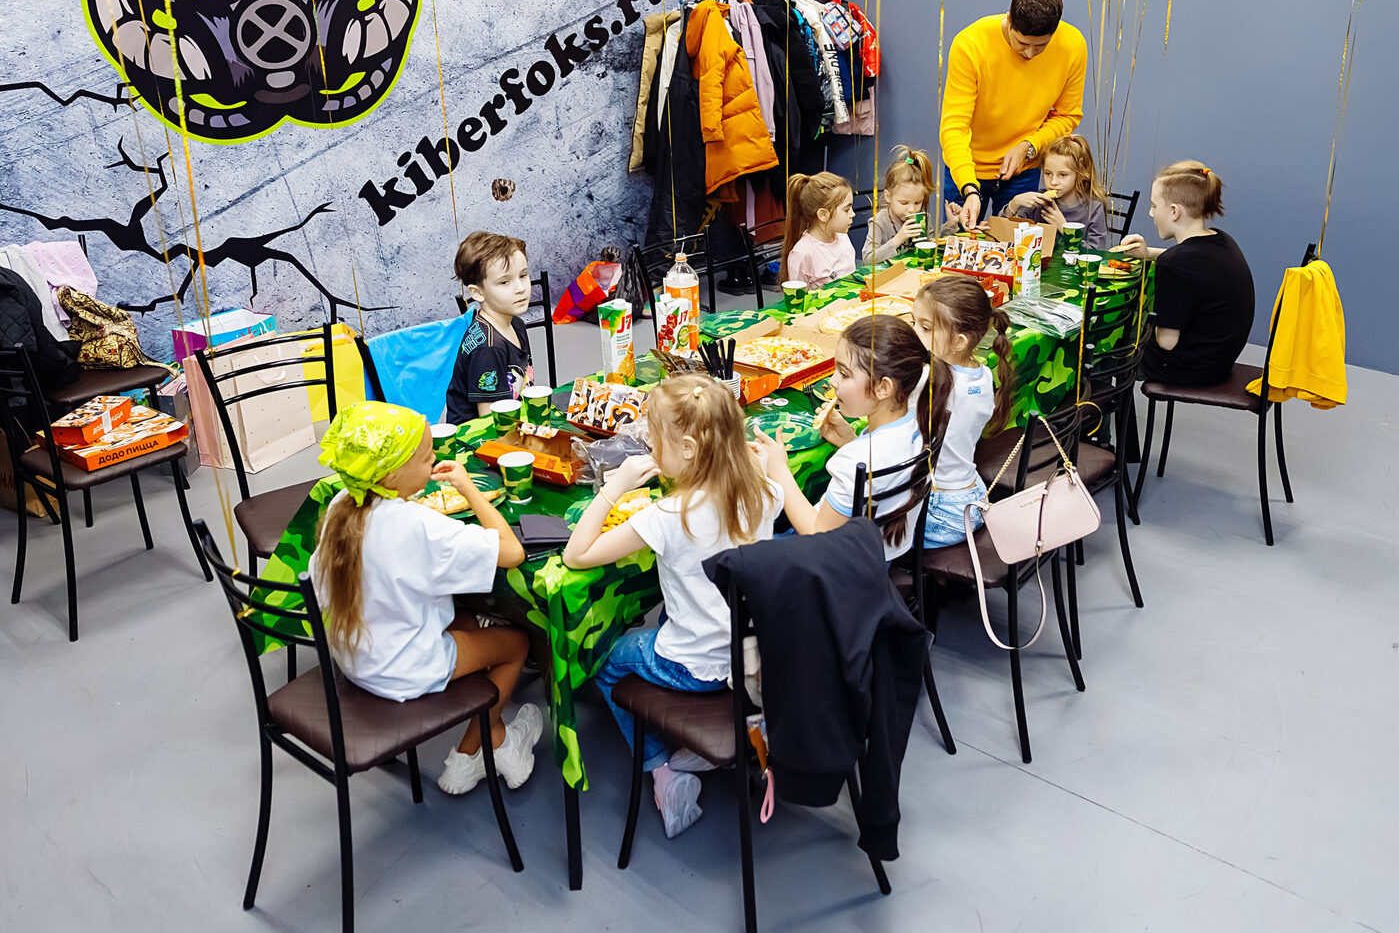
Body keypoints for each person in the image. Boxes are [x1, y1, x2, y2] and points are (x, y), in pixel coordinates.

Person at [563, 376, 783, 839]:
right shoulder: (765, 491)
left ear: (687, 448)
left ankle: (660, 769)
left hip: (694, 664)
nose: (647, 444)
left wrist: (614, 488)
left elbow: (576, 555)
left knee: (603, 658)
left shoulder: (668, 516)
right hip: (751, 654)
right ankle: (719, 738)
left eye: (652, 437)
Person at [307, 401, 541, 795]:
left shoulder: (340, 505)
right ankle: (472, 753)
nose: (434, 459)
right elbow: (512, 552)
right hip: (402, 668)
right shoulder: (418, 525)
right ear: (393, 473)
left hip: (353, 656)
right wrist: (467, 487)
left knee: (466, 618)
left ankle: (495, 735)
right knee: (517, 642)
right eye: (426, 456)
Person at [756, 315, 952, 564]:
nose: (832, 381)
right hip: (877, 555)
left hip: (836, 565)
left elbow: (818, 534)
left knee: (739, 544)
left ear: (883, 387)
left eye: (844, 374)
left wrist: (779, 470)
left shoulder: (854, 460)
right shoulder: (921, 424)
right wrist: (850, 440)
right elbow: (877, 477)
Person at [940, 0, 1087, 232]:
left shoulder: (1073, 45)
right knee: (960, 246)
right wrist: (969, 188)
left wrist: (1028, 147)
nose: (1029, 53)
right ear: (1009, 20)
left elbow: (1067, 116)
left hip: (1023, 170)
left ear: (1055, 31)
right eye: (1021, 42)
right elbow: (954, 127)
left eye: (1040, 46)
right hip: (966, 167)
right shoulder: (970, 44)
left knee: (1018, 248)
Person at [1119, 161, 1255, 386]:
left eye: (1154, 206)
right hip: (1218, 360)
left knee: (1110, 347)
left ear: (1174, 211)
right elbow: (1189, 263)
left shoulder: (1175, 265)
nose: (1151, 213)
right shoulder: (1220, 239)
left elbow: (1166, 342)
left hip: (1188, 368)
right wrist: (1148, 253)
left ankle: (1104, 405)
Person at [910, 275, 1015, 546]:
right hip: (972, 496)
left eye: (925, 327)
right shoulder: (983, 374)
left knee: (856, 524)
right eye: (913, 322)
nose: (913, 332)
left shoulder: (928, 384)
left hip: (939, 511)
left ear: (959, 342)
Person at [446, 231, 535, 424]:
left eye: (523, 275)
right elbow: (490, 421)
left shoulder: (516, 324)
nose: (520, 288)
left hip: (515, 421)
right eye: (504, 282)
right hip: (476, 437)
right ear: (478, 293)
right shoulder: (488, 348)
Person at [1002, 134, 1111, 250]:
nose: (1053, 182)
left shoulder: (1094, 208)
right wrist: (1014, 203)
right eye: (1048, 173)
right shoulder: (1038, 202)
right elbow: (1001, 235)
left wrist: (1065, 228)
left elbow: (1097, 254)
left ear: (1080, 176)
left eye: (1062, 175)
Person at [781, 171, 857, 288]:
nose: (853, 214)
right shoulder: (803, 254)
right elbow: (798, 297)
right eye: (846, 210)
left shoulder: (843, 237)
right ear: (823, 215)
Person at [862, 146, 936, 266]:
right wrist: (897, 239)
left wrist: (950, 225)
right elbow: (867, 260)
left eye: (917, 203)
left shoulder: (923, 218)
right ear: (888, 196)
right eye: (904, 203)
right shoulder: (879, 222)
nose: (912, 209)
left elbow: (933, 246)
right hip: (888, 275)